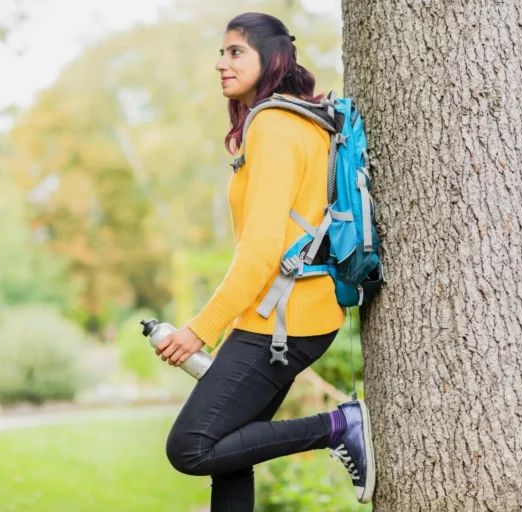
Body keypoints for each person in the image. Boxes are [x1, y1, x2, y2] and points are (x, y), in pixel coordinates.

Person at [153, 11, 376, 511]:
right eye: (222, 52)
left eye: (235, 52)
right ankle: (340, 425)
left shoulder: (274, 124)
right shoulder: (301, 119)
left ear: (271, 57)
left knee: (190, 447)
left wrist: (199, 329)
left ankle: (340, 424)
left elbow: (260, 249)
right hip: (285, 311)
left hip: (284, 318)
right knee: (229, 454)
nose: (221, 64)